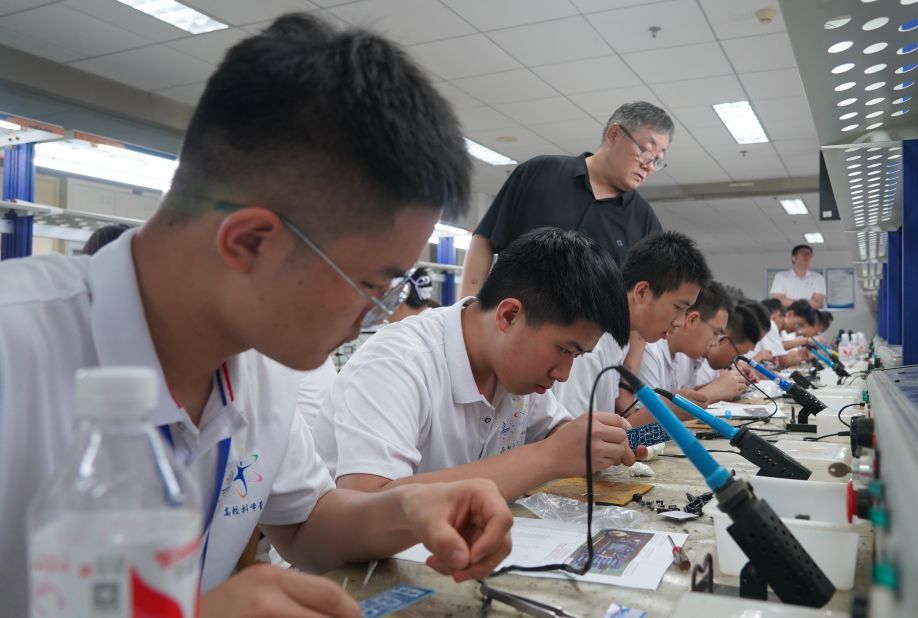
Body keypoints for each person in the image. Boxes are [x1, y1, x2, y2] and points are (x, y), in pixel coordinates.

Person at [0, 15, 513, 618]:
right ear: (249, 242)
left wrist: (409, 507)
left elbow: (306, 524)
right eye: (372, 284)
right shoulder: (17, 348)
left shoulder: (259, 361)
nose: (377, 314)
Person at [312, 228, 642, 502]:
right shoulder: (398, 363)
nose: (563, 374)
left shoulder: (515, 370)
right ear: (509, 315)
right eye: (564, 350)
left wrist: (593, 444)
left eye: (576, 356)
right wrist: (549, 457)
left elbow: (556, 430)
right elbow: (365, 503)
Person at [460, 101, 673, 297]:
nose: (649, 166)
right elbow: (485, 241)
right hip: (506, 320)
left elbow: (643, 298)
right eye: (646, 151)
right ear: (614, 134)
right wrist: (465, 308)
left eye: (657, 160)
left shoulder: (645, 222)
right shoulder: (539, 173)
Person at [551, 231, 711, 419]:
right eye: (678, 307)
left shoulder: (618, 341)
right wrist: (665, 412)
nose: (680, 322)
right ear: (641, 292)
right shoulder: (591, 344)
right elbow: (577, 435)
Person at [637, 281, 731, 412]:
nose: (715, 343)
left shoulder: (685, 356)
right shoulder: (650, 349)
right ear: (692, 320)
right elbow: (647, 418)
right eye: (715, 333)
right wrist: (713, 391)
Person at [693, 302, 766, 394]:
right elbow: (678, 400)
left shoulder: (701, 359)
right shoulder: (687, 355)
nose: (736, 362)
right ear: (723, 339)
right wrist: (718, 388)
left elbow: (687, 393)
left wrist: (732, 383)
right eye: (739, 354)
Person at [771, 244, 826, 309]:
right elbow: (778, 300)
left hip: (809, 314)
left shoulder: (818, 278)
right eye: (803, 253)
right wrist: (804, 304)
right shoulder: (781, 276)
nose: (807, 256)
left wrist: (790, 301)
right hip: (787, 314)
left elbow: (818, 303)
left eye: (809, 254)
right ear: (793, 258)